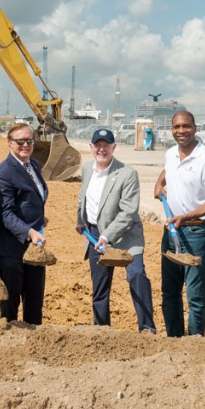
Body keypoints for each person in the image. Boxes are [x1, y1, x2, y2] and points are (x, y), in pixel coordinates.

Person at [153, 111, 205, 337]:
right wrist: (159, 183)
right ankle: (174, 339)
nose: (181, 131)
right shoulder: (171, 153)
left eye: (186, 126)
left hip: (197, 231)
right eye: (176, 127)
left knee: (194, 293)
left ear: (195, 127)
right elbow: (168, 169)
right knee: (169, 291)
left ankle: (194, 342)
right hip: (173, 230)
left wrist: (185, 217)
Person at [76, 128, 155, 332]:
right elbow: (82, 196)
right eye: (98, 145)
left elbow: (128, 212)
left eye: (106, 145)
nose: (102, 149)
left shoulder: (127, 174)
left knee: (137, 275)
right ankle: (102, 329)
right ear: (91, 147)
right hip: (95, 235)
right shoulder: (86, 169)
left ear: (114, 147)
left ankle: (147, 329)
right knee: (100, 286)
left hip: (126, 236)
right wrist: (81, 220)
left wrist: (107, 235)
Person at [0, 122, 48, 325]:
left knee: (34, 301)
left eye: (29, 140)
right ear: (9, 143)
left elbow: (31, 199)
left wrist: (39, 218)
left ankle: (35, 344)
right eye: (20, 141)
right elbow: (4, 213)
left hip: (34, 247)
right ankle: (9, 349)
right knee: (10, 303)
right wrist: (30, 231)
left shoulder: (34, 165)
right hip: (11, 249)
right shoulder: (2, 173)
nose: (26, 144)